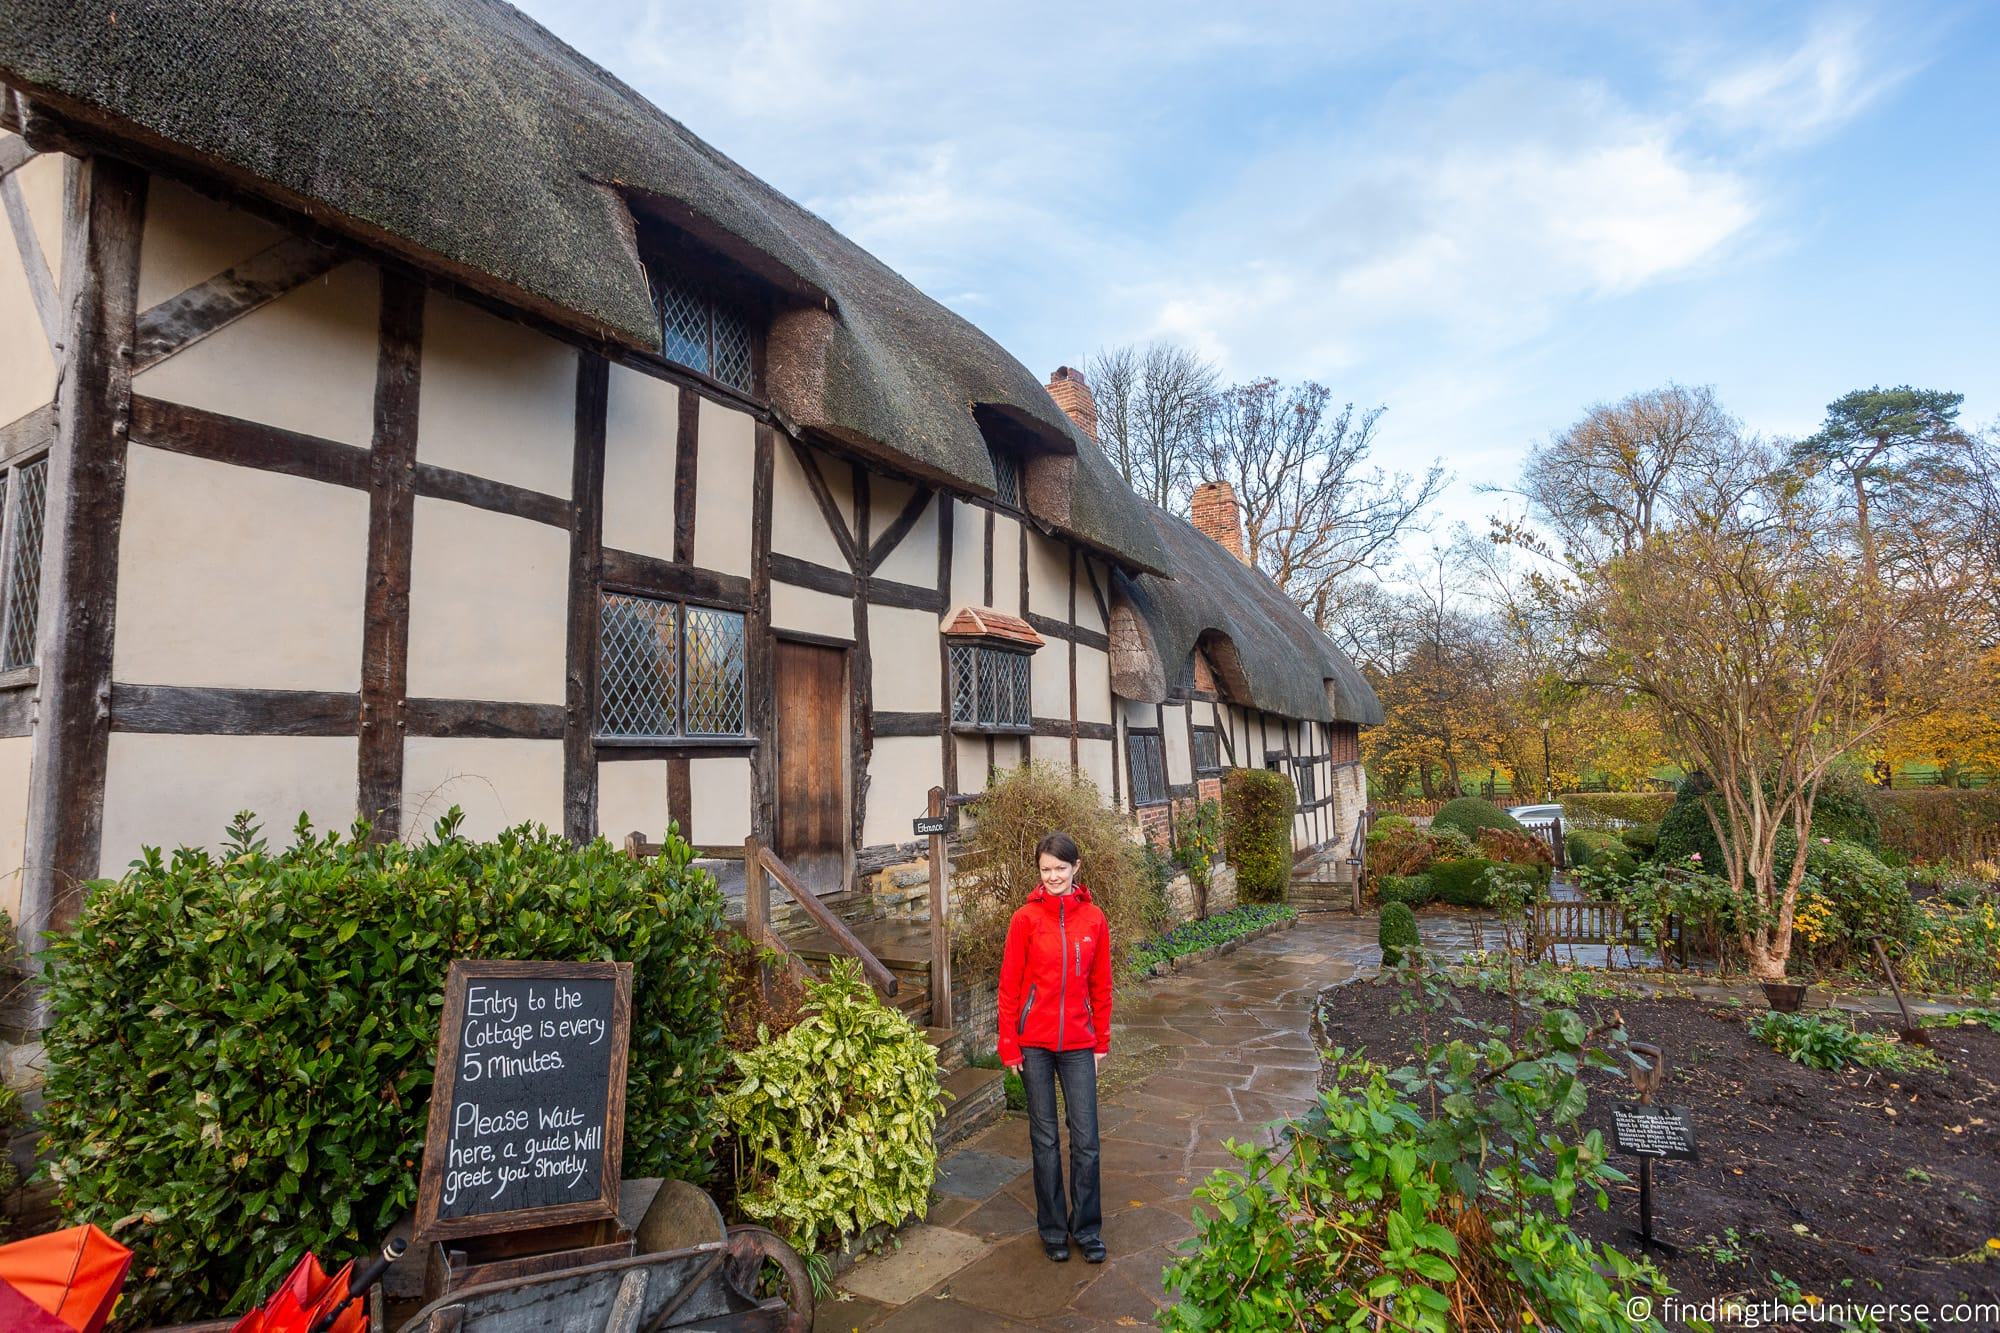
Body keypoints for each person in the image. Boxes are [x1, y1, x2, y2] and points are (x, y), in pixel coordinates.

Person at [996, 831, 1112, 1264]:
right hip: (1034, 1047)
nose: (1053, 876)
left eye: (1060, 868)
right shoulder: (1024, 919)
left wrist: (1101, 1040)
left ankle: (1087, 1229)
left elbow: (1101, 985)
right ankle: (1053, 1230)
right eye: (1046, 870)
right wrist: (1009, 1043)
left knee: (1086, 1139)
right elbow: (1009, 986)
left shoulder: (1094, 919)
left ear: (1075, 867)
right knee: (1044, 1139)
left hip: (1080, 1044)